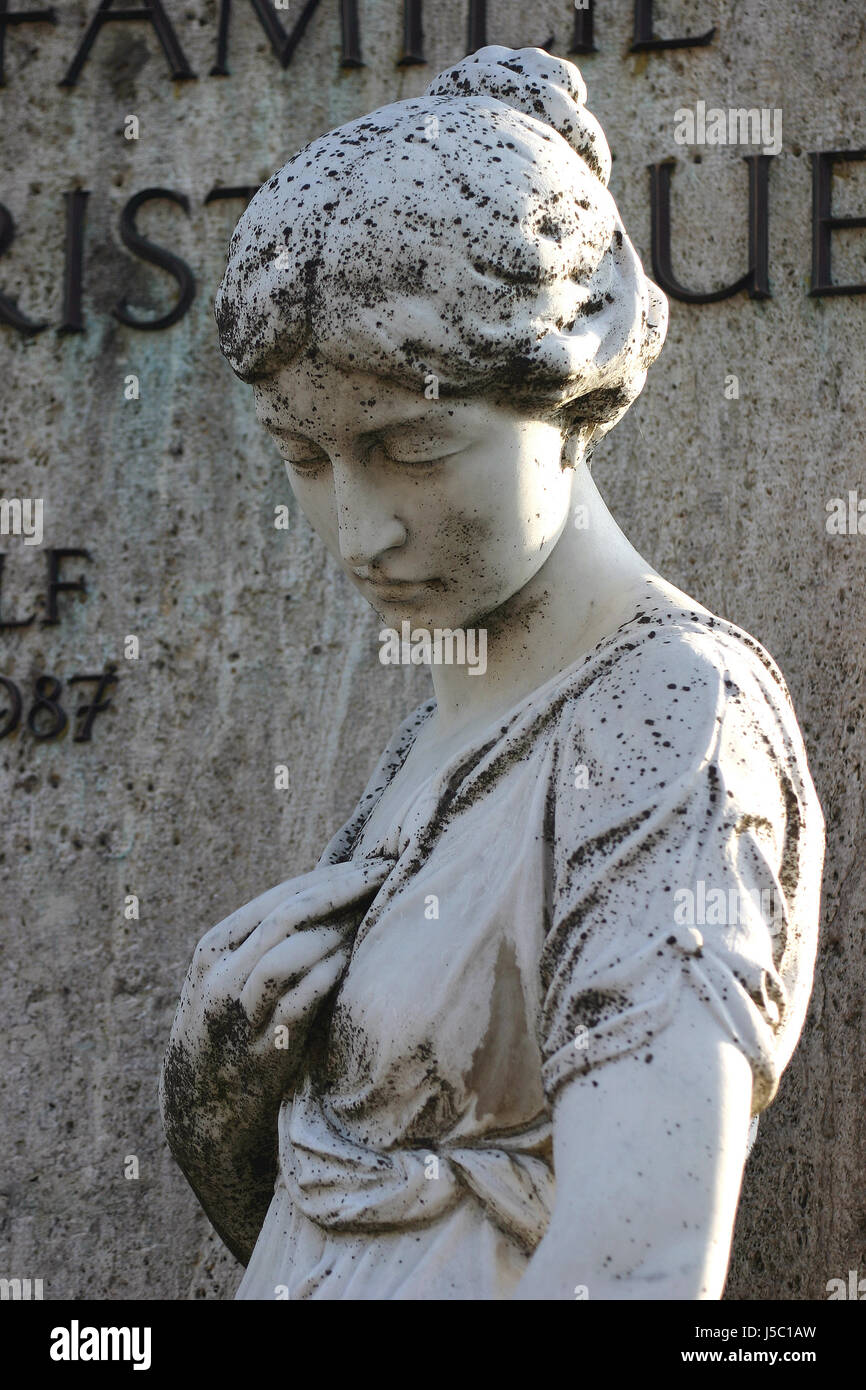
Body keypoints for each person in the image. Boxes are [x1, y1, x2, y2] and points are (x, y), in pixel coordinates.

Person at [160, 46, 824, 1300]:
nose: (359, 531)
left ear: (571, 383)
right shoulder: (442, 719)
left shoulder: (666, 716)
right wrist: (220, 1107)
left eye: (411, 445)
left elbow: (637, 1267)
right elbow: (367, 1224)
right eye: (304, 455)